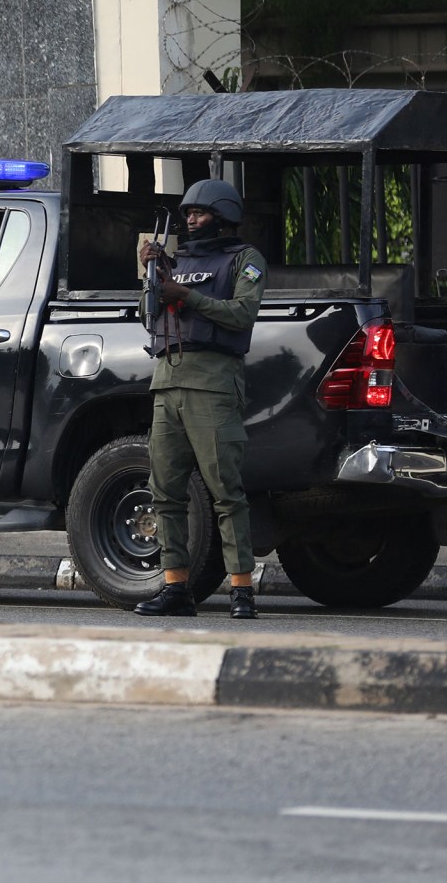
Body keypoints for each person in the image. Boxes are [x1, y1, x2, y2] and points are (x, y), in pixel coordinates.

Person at [134, 179, 265, 619]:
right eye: (187, 214)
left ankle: (242, 590)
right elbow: (148, 315)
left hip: (213, 381)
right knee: (165, 491)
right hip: (167, 380)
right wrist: (151, 275)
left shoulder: (244, 259)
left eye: (200, 213)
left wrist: (188, 296)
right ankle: (175, 588)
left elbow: (243, 313)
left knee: (226, 492)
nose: (191, 220)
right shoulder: (179, 260)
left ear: (223, 216)